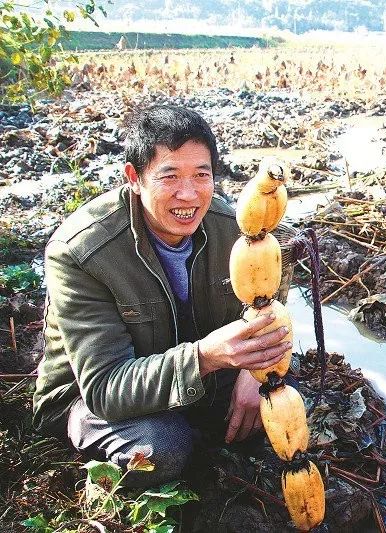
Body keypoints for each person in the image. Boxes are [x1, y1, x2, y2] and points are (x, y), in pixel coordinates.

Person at [32, 105, 295, 487]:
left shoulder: (232, 229)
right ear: (134, 178)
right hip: (93, 398)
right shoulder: (81, 252)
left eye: (201, 175)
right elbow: (106, 389)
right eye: (169, 176)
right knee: (162, 447)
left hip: (193, 372)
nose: (188, 195)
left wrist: (254, 373)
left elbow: (273, 293)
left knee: (283, 396)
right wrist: (205, 356)